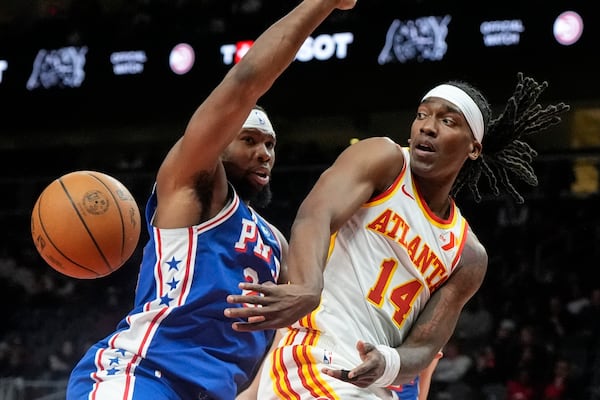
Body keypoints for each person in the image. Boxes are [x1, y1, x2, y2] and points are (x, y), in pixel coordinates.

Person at [66, 1, 357, 399]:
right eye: (249, 140)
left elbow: (283, 338)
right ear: (218, 148)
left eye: (270, 144)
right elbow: (244, 83)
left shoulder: (277, 241)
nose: (264, 153)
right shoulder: (193, 187)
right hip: (142, 375)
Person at [225, 72, 570, 398]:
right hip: (315, 354)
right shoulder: (385, 160)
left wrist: (388, 363)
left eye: (447, 121)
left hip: (372, 381)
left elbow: (425, 346)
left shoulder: (468, 255)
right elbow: (316, 215)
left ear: (473, 148)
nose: (428, 128)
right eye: (422, 115)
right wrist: (307, 288)